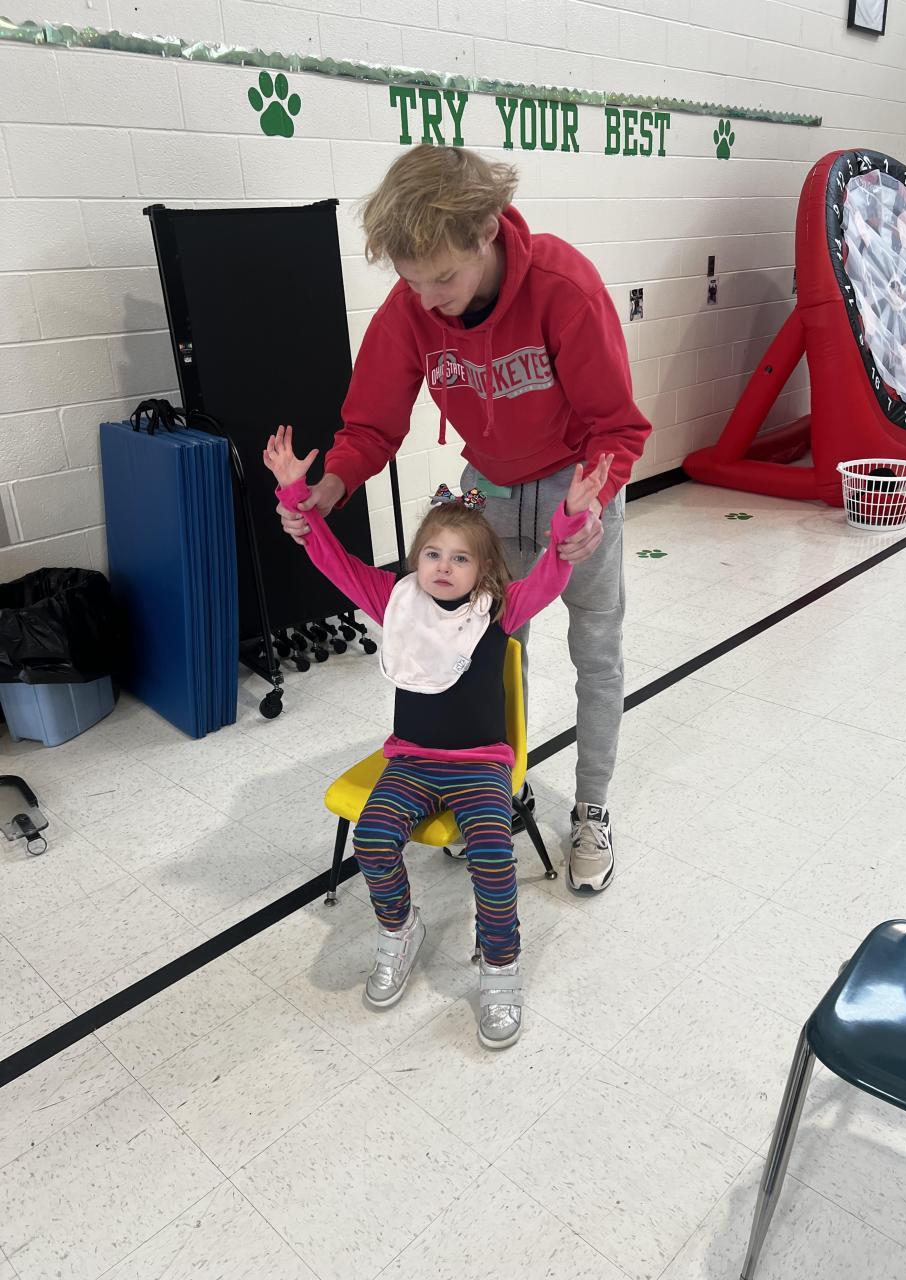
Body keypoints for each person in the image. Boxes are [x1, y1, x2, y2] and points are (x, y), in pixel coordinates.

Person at [277, 144, 651, 895]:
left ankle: (592, 807)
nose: (428, 299)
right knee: (485, 649)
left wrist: (590, 505)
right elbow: (371, 425)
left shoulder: (563, 287)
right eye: (411, 281)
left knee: (596, 651)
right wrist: (331, 486)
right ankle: (493, 788)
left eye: (442, 278)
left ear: (486, 231)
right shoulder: (413, 306)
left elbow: (618, 425)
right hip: (488, 491)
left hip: (578, 488)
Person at [265, 425, 611, 1048]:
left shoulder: (500, 607)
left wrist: (568, 517)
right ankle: (401, 929)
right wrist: (297, 498)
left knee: (493, 856)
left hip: (480, 765)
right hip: (411, 763)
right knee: (372, 839)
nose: (443, 567)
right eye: (432, 554)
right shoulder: (393, 599)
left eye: (460, 558)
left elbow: (553, 574)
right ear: (415, 559)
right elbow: (331, 559)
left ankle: (501, 966)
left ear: (484, 569)